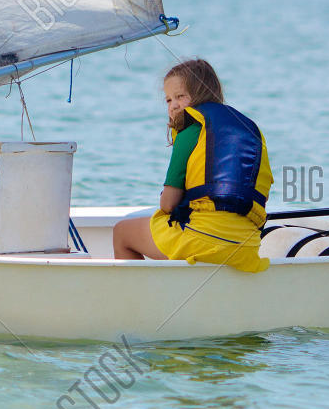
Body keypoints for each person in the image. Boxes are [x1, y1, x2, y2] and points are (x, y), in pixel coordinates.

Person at [112, 58, 273, 272]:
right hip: (246, 246)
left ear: (201, 94)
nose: (174, 105)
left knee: (123, 232)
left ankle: (134, 304)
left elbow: (168, 204)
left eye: (181, 96)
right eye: (168, 100)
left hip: (202, 241)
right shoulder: (248, 130)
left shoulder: (189, 133)